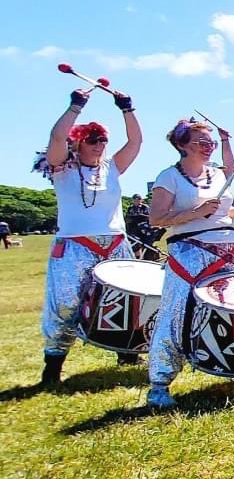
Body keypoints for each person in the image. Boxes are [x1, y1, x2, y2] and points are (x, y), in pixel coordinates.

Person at [36, 84, 142, 384]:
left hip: (115, 245)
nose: (99, 145)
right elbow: (56, 138)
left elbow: (135, 142)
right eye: (93, 140)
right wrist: (75, 106)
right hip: (74, 246)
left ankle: (127, 353)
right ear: (79, 143)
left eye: (103, 140)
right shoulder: (61, 169)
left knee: (124, 301)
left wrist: (127, 108)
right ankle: (53, 366)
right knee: (67, 305)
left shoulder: (112, 168)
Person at [145, 118, 234, 407]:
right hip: (190, 251)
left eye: (211, 142)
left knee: (232, 310)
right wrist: (196, 213)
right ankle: (159, 384)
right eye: (202, 142)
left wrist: (232, 214)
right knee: (176, 313)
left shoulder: (217, 175)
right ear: (181, 145)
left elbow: (223, 203)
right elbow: (157, 219)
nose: (209, 147)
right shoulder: (169, 177)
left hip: (227, 248)